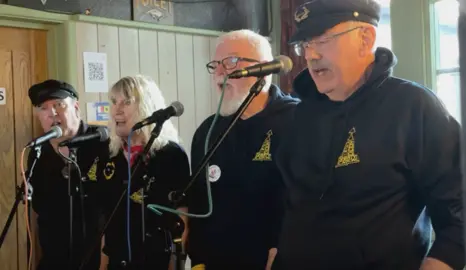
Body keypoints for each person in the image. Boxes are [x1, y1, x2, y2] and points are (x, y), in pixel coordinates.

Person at [272, 0, 465, 270]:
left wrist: (440, 263)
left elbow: (462, 212)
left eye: (323, 40)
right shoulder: (298, 115)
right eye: (305, 43)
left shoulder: (413, 107)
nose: (310, 55)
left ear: (366, 38)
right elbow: (287, 199)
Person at [186, 29, 299, 270]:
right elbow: (197, 202)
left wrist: (287, 250)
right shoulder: (208, 131)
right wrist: (197, 257)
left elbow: (308, 201)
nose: (219, 72)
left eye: (231, 62)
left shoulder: (297, 121)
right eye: (215, 64)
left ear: (265, 68)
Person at [96, 75, 190, 270]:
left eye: (127, 101)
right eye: (114, 102)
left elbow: (182, 217)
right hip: (117, 262)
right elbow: (107, 221)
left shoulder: (171, 155)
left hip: (156, 261)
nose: (117, 109)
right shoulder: (108, 154)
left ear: (147, 105)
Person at [27, 79, 106, 270]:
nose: (52, 113)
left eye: (58, 105)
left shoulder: (102, 142)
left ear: (76, 107)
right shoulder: (38, 152)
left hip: (98, 259)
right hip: (54, 259)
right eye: (43, 108)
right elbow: (37, 208)